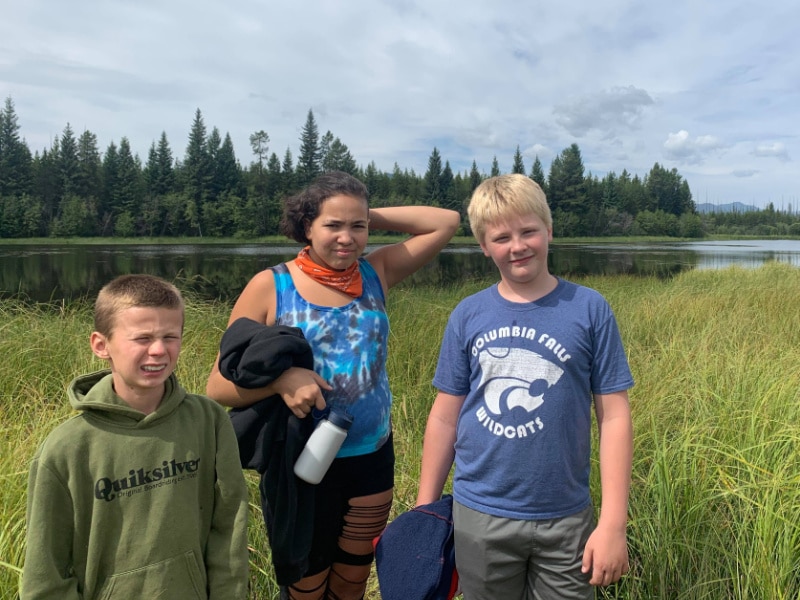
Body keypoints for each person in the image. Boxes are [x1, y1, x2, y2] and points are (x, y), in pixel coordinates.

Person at [206, 170, 460, 600]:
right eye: (332, 225)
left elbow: (446, 221)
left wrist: (358, 211)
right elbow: (218, 385)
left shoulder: (375, 272)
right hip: (300, 463)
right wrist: (282, 381)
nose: (347, 238)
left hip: (372, 457)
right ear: (307, 226)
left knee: (351, 581)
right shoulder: (272, 285)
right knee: (306, 585)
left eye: (357, 227)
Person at [416, 174, 634, 600]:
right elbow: (444, 417)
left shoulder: (589, 309)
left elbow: (615, 417)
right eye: (501, 237)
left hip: (566, 516)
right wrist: (425, 513)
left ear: (549, 231)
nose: (518, 246)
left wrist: (612, 523)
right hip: (480, 513)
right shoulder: (468, 314)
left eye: (529, 231)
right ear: (483, 246)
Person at [21, 274, 249, 600]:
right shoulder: (67, 448)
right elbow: (45, 577)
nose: (158, 350)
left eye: (170, 336)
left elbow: (229, 528)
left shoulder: (208, 421)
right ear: (101, 345)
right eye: (142, 338)